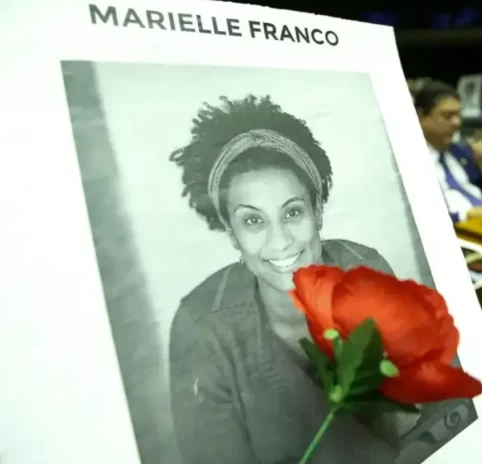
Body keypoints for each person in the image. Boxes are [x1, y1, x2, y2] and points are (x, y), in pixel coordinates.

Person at [168, 95, 410, 464]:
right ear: (232, 234)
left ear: (317, 212)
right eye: (253, 220)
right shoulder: (201, 328)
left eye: (293, 212)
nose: (280, 241)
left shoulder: (367, 270)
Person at [411, 78, 482, 223]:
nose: (457, 123)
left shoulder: (460, 152)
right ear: (420, 117)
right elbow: (423, 216)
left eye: (458, 115)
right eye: (448, 116)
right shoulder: (409, 162)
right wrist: (472, 214)